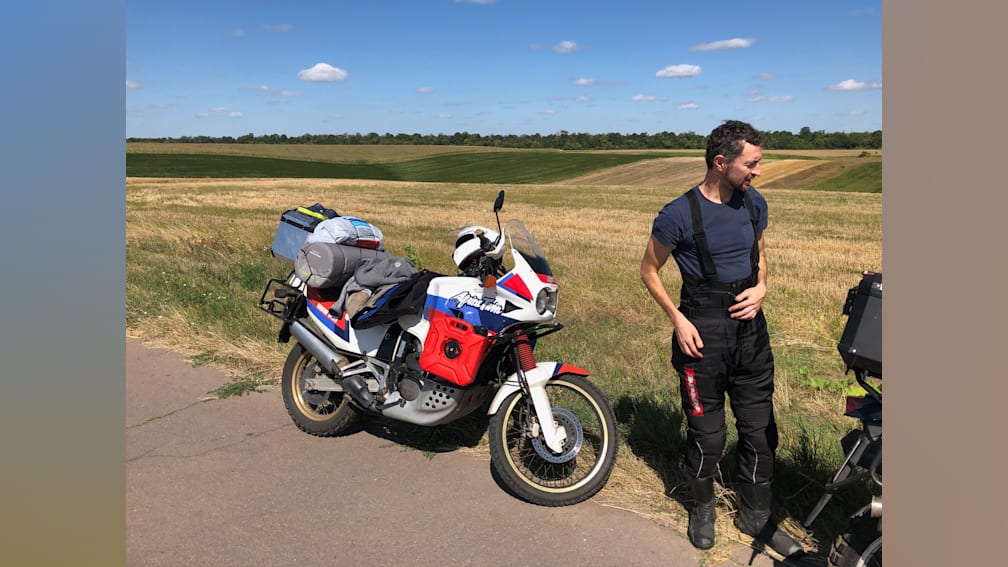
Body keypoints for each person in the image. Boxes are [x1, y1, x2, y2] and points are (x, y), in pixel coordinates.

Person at [639, 120, 803, 558]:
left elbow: (761, 255)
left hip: (751, 334)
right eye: (752, 163)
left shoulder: (755, 204)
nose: (759, 172)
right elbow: (648, 270)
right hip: (702, 334)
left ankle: (755, 516)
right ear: (721, 162)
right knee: (709, 436)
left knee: (760, 433)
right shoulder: (678, 214)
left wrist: (762, 286)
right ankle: (704, 506)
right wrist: (678, 319)